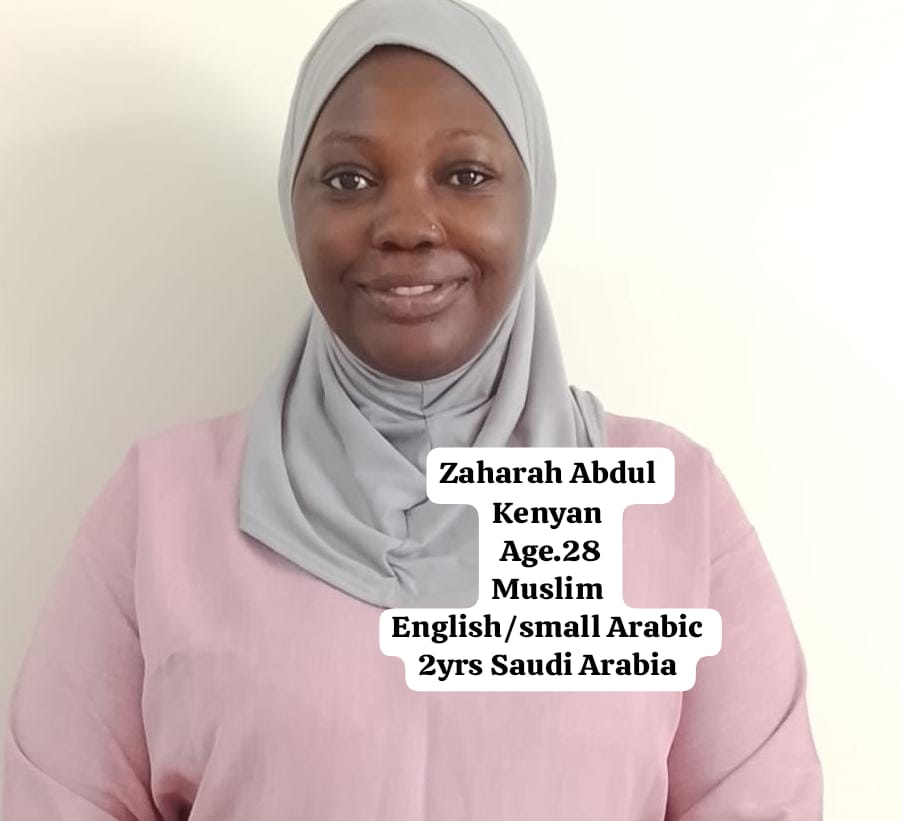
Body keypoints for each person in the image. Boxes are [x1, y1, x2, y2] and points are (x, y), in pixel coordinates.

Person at [2, 0, 823, 818]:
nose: (405, 226)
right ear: (294, 204)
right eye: (349, 179)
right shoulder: (162, 507)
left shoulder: (672, 511)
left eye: (465, 175)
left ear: (534, 198)